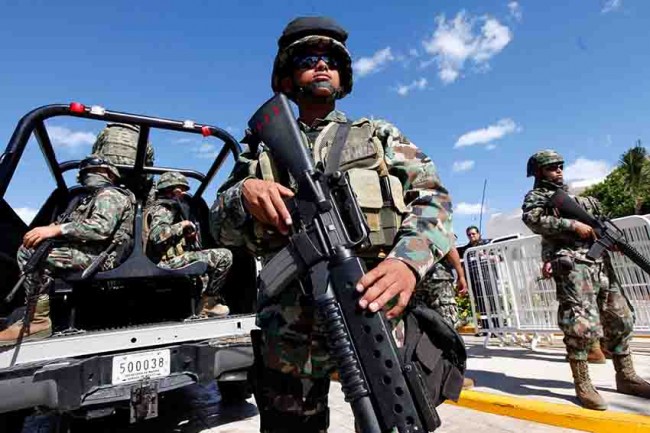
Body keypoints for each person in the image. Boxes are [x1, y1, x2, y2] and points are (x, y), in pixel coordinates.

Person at [210, 16, 455, 432]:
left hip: (370, 316)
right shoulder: (260, 150)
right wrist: (244, 192)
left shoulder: (377, 135)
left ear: (344, 79)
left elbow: (433, 199)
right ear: (287, 79)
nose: (321, 66)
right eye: (308, 59)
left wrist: (406, 263)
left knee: (390, 420)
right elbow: (217, 225)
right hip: (288, 337)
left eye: (331, 60)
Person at [522, 149, 650, 410]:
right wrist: (572, 226)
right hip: (573, 267)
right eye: (551, 167)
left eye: (560, 166)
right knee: (580, 324)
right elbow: (532, 219)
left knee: (620, 316)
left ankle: (626, 376)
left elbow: (599, 225)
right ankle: (583, 384)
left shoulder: (583, 201)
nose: (558, 170)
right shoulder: (537, 197)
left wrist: (610, 241)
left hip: (601, 265)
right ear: (538, 171)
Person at [0, 155, 135, 345]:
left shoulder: (110, 195)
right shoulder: (90, 198)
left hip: (102, 257)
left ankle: (38, 321)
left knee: (32, 255)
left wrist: (56, 229)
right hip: (90, 252)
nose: (89, 175)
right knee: (33, 249)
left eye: (94, 171)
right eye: (85, 172)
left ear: (110, 174)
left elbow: (100, 229)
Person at [146, 171, 232, 317]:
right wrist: (183, 225)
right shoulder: (164, 208)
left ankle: (205, 303)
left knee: (205, 258)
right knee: (224, 256)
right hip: (165, 262)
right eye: (183, 190)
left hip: (170, 259)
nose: (185, 194)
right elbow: (157, 236)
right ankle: (208, 304)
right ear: (176, 191)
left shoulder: (164, 207)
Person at [414, 245, 475, 388]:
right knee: (447, 327)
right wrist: (460, 275)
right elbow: (448, 245)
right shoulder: (432, 222)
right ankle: (452, 380)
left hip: (413, 275)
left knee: (421, 327)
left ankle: (427, 375)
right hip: (436, 276)